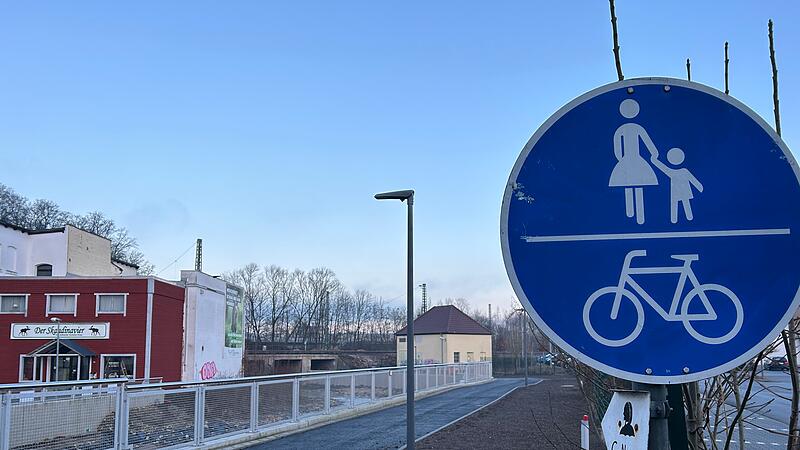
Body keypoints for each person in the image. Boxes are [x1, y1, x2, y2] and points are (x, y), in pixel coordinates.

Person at [609, 99, 660, 225]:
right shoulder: (631, 128)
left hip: (629, 160)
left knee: (633, 185)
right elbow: (618, 145)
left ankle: (637, 216)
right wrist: (654, 153)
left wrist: (620, 159)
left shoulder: (627, 129)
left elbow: (618, 147)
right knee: (633, 185)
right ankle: (633, 216)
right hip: (632, 160)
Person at [650, 148, 703, 223]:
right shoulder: (677, 172)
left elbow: (693, 179)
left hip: (682, 191)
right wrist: (654, 161)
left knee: (683, 203)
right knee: (676, 204)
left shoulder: (678, 172)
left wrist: (699, 187)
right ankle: (674, 220)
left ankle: (685, 218)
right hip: (677, 191)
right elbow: (663, 168)